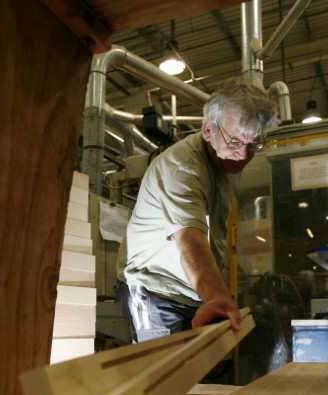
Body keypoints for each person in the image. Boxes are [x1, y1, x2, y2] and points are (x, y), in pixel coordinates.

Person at [116, 81, 279, 343]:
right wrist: (216, 295)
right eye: (235, 141)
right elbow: (190, 238)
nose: (243, 155)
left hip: (192, 291)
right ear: (207, 130)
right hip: (154, 290)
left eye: (254, 145)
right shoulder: (182, 168)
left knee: (191, 375)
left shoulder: (229, 160)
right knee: (162, 375)